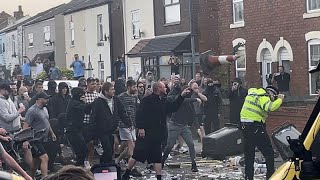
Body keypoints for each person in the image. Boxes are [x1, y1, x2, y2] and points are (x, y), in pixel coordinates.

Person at [122, 82, 190, 180]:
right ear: (158, 89)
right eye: (163, 87)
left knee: (157, 157)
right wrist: (141, 127)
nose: (166, 89)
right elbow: (139, 114)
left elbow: (174, 107)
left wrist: (182, 96)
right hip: (146, 133)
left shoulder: (163, 101)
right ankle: (127, 173)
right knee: (137, 155)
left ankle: (159, 177)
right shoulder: (147, 100)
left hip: (157, 134)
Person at [240, 86, 285, 180]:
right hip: (256, 127)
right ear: (271, 93)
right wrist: (280, 100)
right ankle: (271, 176)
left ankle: (249, 177)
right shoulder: (263, 96)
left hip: (245, 127)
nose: (272, 99)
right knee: (269, 153)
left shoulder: (252, 94)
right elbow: (270, 107)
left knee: (249, 155)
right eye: (273, 97)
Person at [162, 84, 204, 172]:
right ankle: (162, 161)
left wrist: (195, 125)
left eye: (189, 92)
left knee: (191, 144)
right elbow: (184, 100)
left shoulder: (190, 104)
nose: (188, 93)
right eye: (186, 91)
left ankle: (193, 164)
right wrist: (195, 99)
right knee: (169, 145)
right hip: (174, 125)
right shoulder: (179, 98)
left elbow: (193, 115)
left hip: (184, 126)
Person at [91, 82, 132, 164]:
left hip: (111, 129)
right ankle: (103, 164)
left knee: (110, 151)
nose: (114, 91)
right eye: (112, 89)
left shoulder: (115, 100)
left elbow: (122, 112)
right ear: (106, 91)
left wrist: (128, 123)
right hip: (102, 130)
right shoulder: (98, 101)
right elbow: (94, 116)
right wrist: (93, 132)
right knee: (108, 150)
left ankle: (107, 165)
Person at [23, 92, 57, 178]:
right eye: (45, 99)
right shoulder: (32, 110)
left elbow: (46, 122)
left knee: (36, 162)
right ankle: (45, 178)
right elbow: (26, 125)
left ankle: (29, 177)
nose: (47, 100)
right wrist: (25, 140)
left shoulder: (45, 109)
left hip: (43, 138)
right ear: (39, 99)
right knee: (45, 158)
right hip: (35, 139)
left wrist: (52, 133)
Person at [117, 80, 141, 177]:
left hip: (133, 124)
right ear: (128, 87)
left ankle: (117, 160)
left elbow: (136, 109)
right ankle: (132, 168)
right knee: (132, 146)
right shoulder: (121, 97)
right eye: (134, 87)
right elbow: (118, 110)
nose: (135, 88)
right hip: (124, 124)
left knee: (132, 144)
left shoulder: (135, 97)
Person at [66, 87, 92, 166]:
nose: (83, 96)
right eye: (81, 95)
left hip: (79, 129)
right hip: (73, 130)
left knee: (83, 150)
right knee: (81, 150)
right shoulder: (73, 103)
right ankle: (77, 167)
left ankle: (79, 166)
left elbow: (87, 111)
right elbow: (86, 108)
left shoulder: (78, 102)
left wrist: (84, 102)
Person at [83, 77, 98, 168]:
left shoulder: (97, 95)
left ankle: (90, 161)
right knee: (86, 143)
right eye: (92, 84)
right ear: (88, 84)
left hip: (94, 122)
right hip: (85, 121)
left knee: (92, 143)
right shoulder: (83, 94)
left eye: (95, 84)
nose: (94, 86)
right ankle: (84, 160)